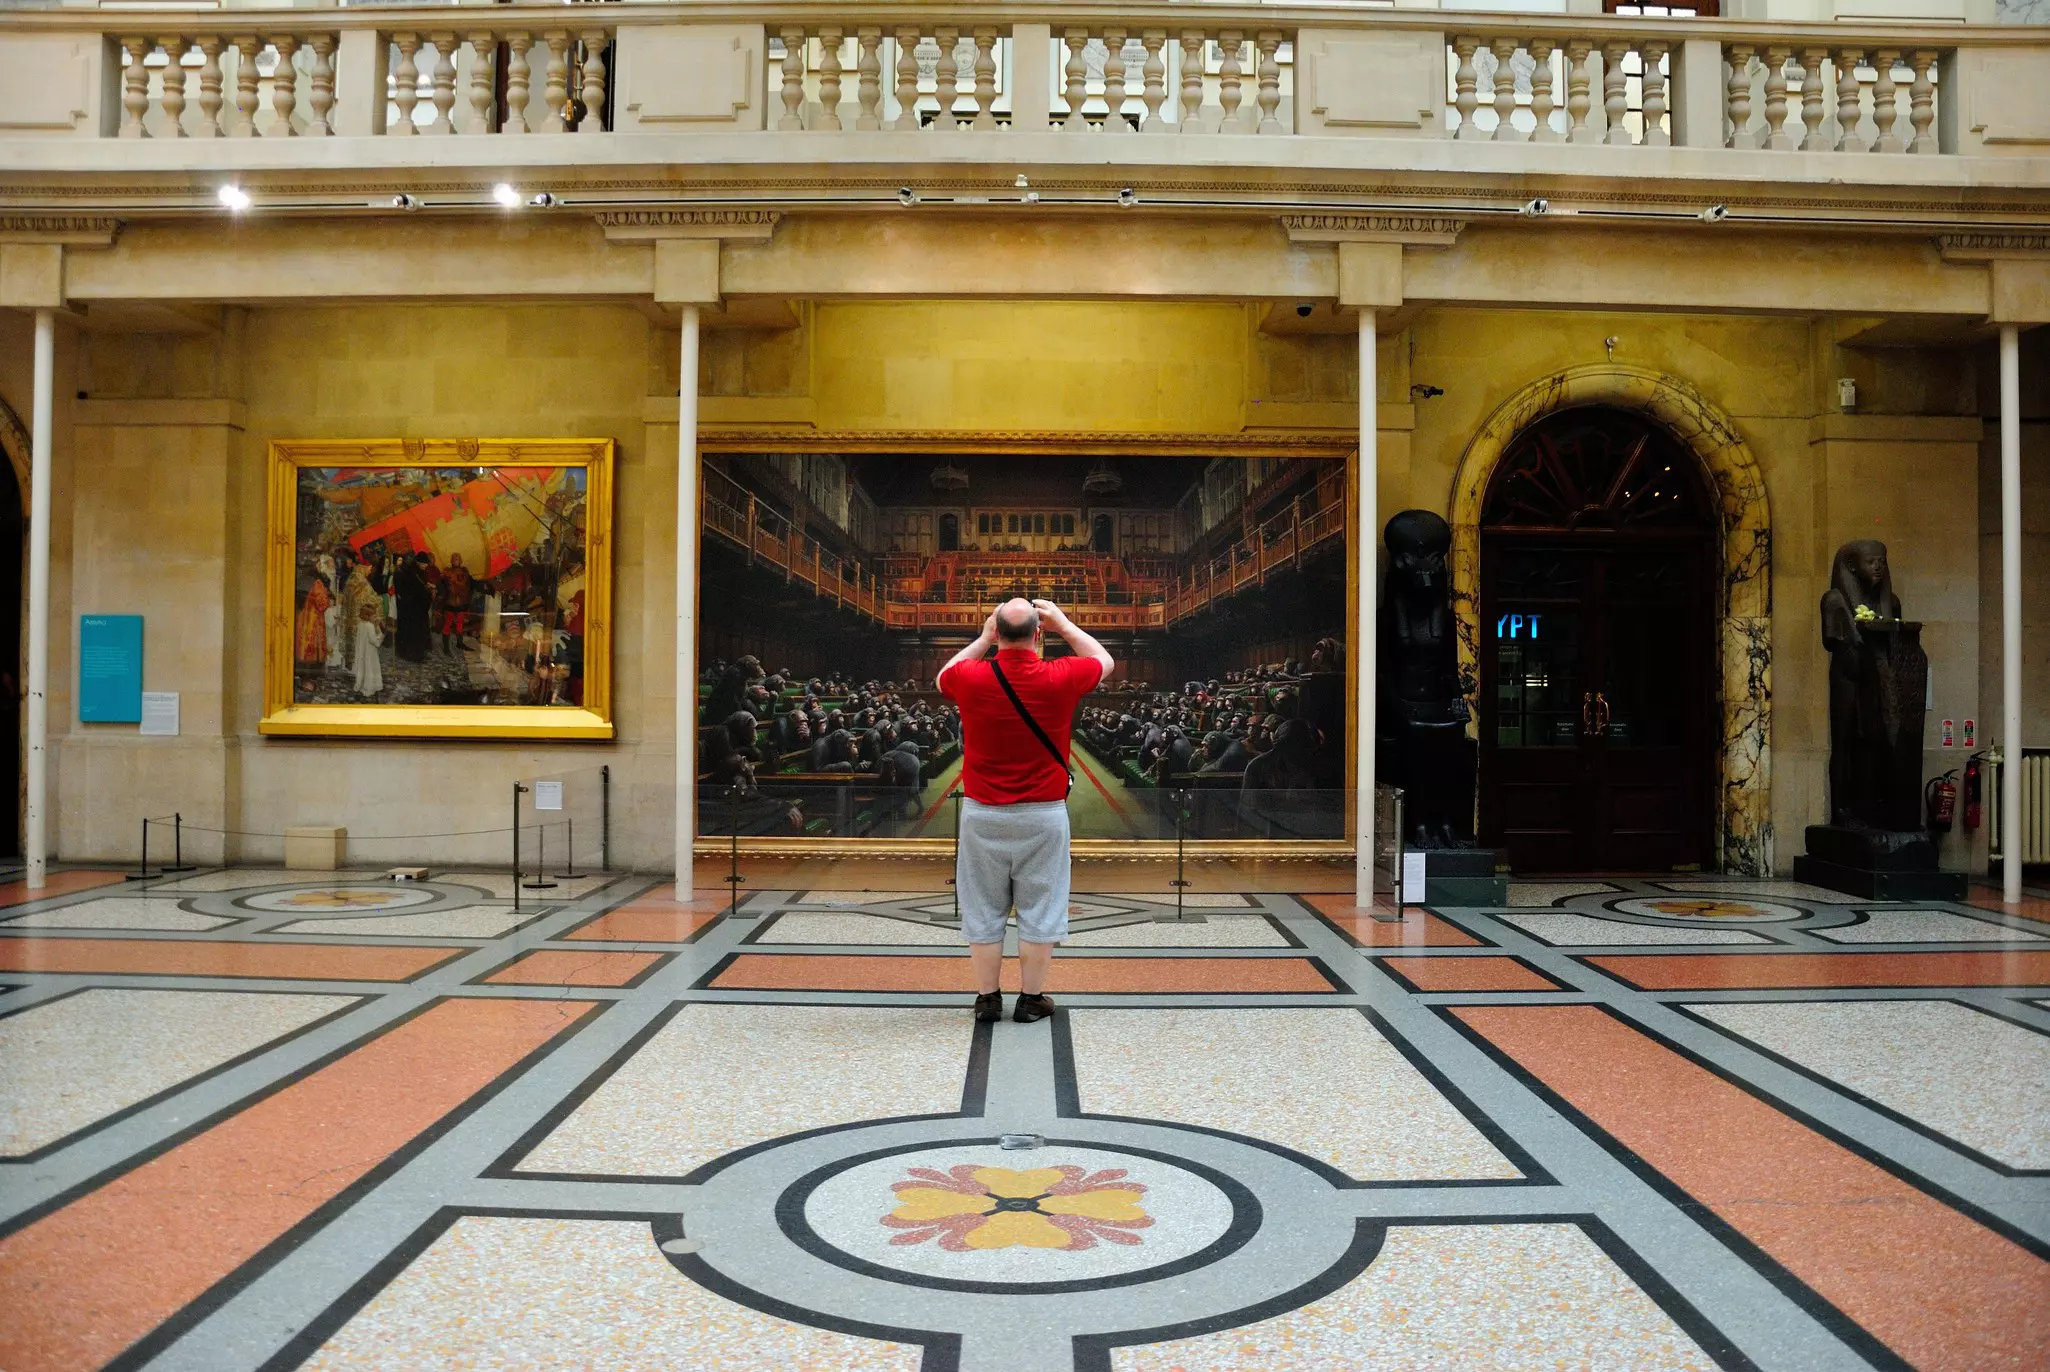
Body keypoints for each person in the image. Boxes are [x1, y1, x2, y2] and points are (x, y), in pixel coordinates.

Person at [937, 598, 1114, 1025]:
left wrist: (982, 639)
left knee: (982, 907)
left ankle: (987, 999)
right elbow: (1104, 660)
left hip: (982, 815)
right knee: (1040, 906)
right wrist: (1066, 625)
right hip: (1044, 815)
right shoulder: (1060, 676)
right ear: (1039, 635)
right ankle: (1031, 1000)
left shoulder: (970, 677)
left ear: (997, 633)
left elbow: (943, 675)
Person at [352, 605, 385, 698]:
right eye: (374, 616)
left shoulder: (361, 624)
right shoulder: (370, 626)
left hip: (361, 652)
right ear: (367, 616)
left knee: (362, 668)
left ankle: (360, 685)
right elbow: (375, 642)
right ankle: (369, 688)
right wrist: (379, 631)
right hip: (369, 653)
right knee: (369, 668)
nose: (376, 617)